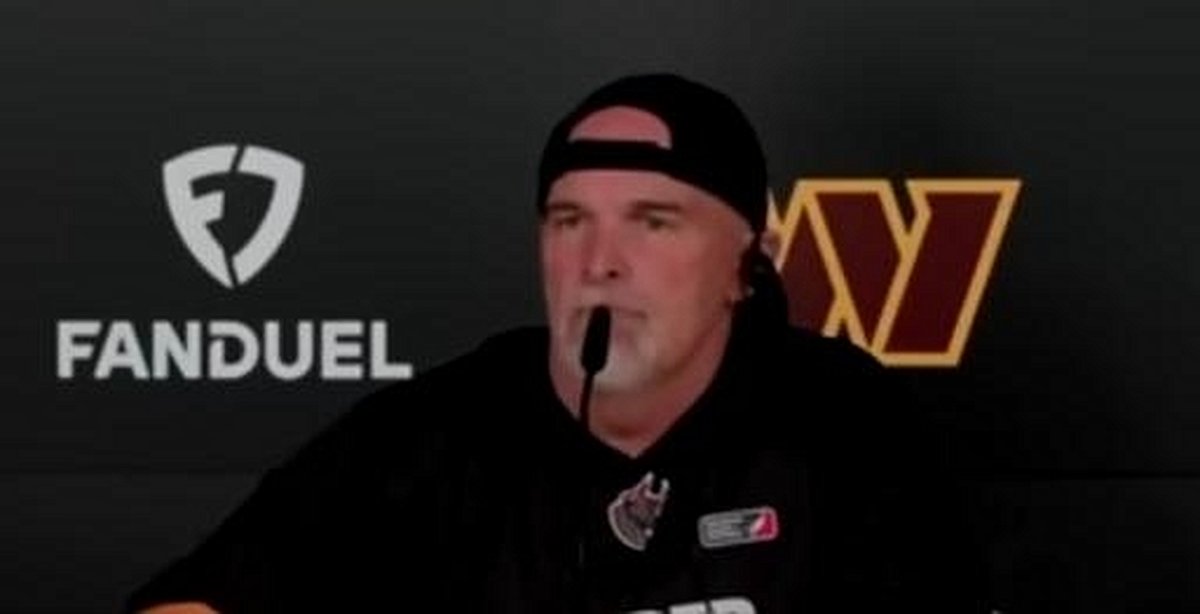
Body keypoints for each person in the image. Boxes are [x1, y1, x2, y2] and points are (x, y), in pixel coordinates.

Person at [127, 73, 983, 613]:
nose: (599, 262)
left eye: (653, 221)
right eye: (569, 220)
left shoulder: (841, 423)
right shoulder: (436, 430)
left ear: (747, 264)